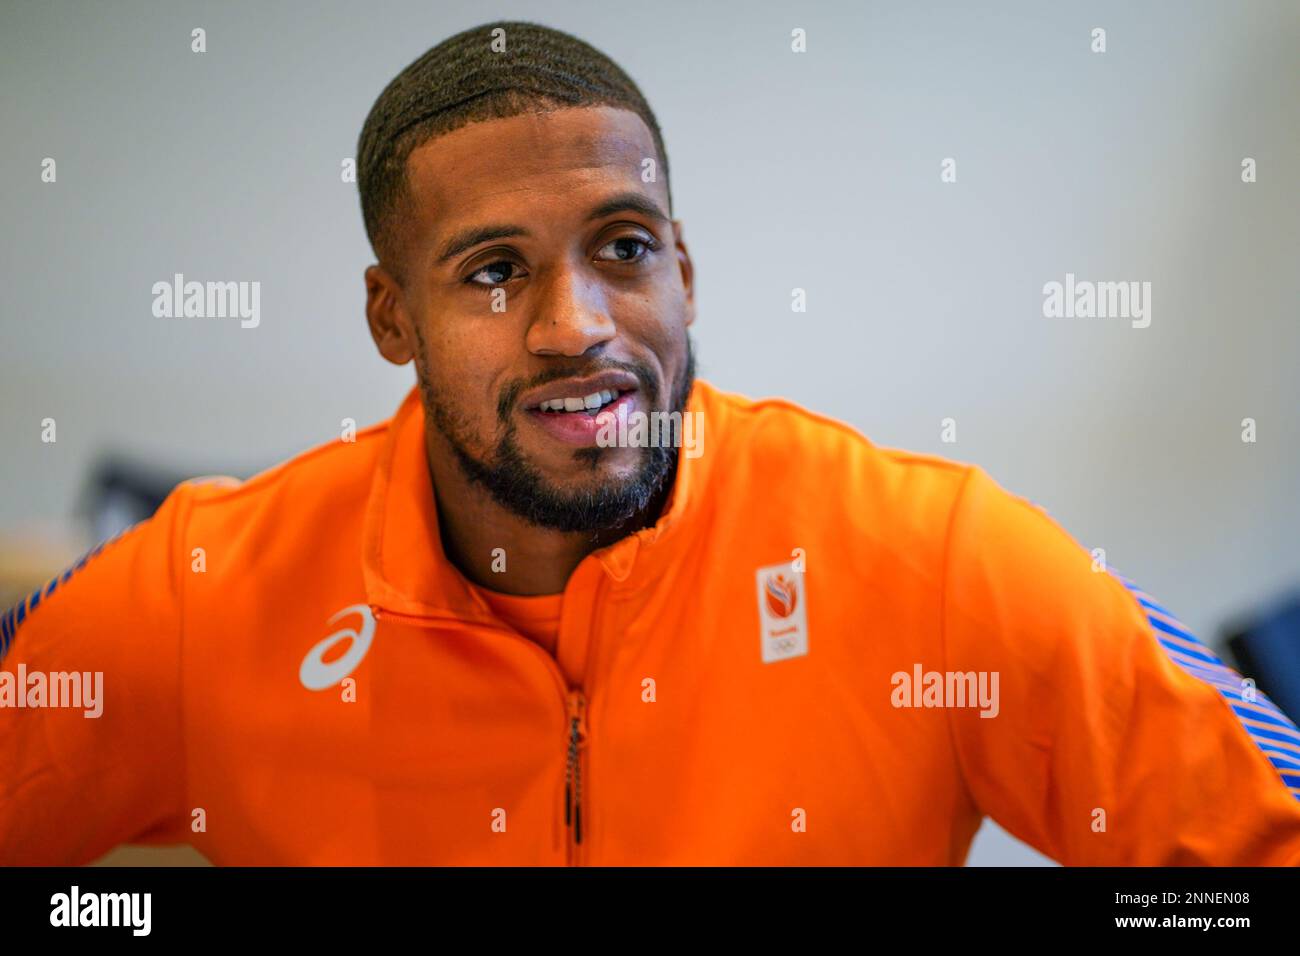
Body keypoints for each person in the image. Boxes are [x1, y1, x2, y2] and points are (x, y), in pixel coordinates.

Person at [2, 20, 1298, 866]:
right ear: (391, 317)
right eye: (495, 271)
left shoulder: (923, 559)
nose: (581, 328)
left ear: (681, 264)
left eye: (623, 249)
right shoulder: (209, 592)